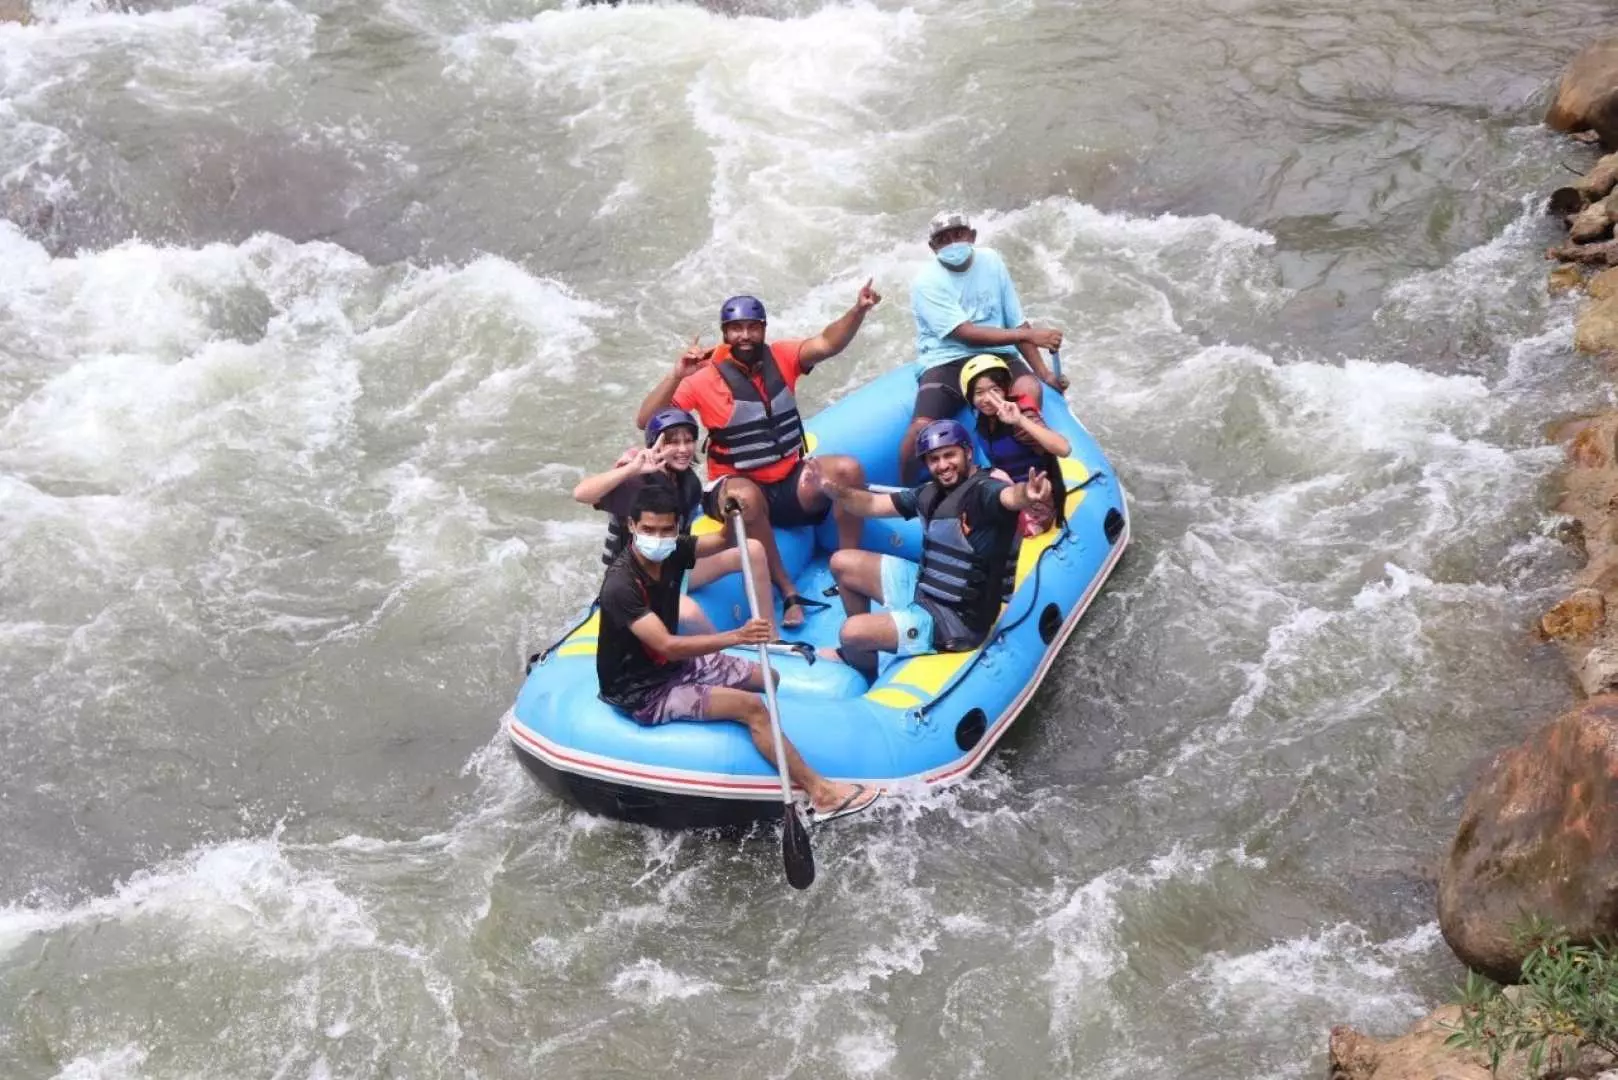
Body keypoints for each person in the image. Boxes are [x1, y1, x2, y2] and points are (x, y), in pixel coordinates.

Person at [597, 483, 880, 822]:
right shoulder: (621, 585)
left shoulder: (672, 550)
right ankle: (821, 793)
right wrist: (737, 636)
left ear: (676, 527)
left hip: (674, 667)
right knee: (750, 706)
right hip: (644, 690)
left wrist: (731, 513)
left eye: (666, 530)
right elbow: (667, 646)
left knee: (769, 677)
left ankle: (781, 746)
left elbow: (723, 540)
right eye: (648, 530)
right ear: (631, 526)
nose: (657, 538)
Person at [635, 284, 881, 628]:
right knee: (745, 496)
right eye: (736, 329)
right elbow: (647, 421)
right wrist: (677, 375)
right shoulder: (703, 378)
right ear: (725, 334)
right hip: (734, 485)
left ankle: (849, 563)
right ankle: (788, 590)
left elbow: (828, 343)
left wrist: (858, 310)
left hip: (788, 479)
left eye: (753, 327)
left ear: (764, 329)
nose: (745, 336)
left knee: (848, 470)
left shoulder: (782, 357)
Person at [811, 419, 1052, 681]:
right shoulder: (929, 492)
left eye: (950, 455)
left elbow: (1009, 497)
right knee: (842, 562)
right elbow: (869, 504)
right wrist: (831, 489)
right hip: (924, 588)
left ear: (968, 453)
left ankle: (860, 653)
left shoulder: (985, 492)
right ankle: (865, 654)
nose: (943, 465)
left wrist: (1027, 494)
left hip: (956, 621)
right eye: (934, 459)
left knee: (850, 632)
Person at [571, 406, 771, 634]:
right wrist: (631, 470)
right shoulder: (635, 485)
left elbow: (684, 544)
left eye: (688, 441)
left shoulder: (690, 484)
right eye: (672, 442)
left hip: (673, 569)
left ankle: (769, 635)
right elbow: (581, 493)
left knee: (753, 550)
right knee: (691, 614)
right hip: (639, 579)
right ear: (655, 445)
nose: (683, 449)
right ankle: (720, 660)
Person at [901, 210, 1068, 482]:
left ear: (972, 236)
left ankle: (1034, 475)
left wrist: (1044, 373)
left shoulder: (991, 261)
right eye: (943, 240)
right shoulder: (925, 282)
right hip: (947, 359)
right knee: (919, 428)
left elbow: (1017, 322)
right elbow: (965, 333)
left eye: (958, 235)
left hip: (998, 354)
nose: (953, 243)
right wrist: (1032, 335)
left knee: (1028, 392)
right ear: (933, 248)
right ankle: (912, 493)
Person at [959, 354, 1069, 537]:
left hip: (1038, 497)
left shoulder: (1021, 418)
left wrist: (1019, 420)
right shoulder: (982, 419)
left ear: (1005, 390)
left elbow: (1064, 449)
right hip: (1010, 492)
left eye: (995, 389)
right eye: (979, 393)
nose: (987, 399)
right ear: (970, 396)